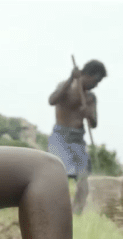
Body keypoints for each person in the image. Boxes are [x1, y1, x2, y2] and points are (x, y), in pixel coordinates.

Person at [48, 59, 106, 215]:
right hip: (60, 137)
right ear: (87, 75)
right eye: (96, 80)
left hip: (78, 140)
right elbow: (52, 100)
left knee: (83, 180)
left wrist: (89, 115)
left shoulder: (90, 98)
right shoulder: (65, 87)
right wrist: (70, 79)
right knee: (61, 175)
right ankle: (56, 211)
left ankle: (76, 214)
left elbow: (93, 124)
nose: (96, 84)